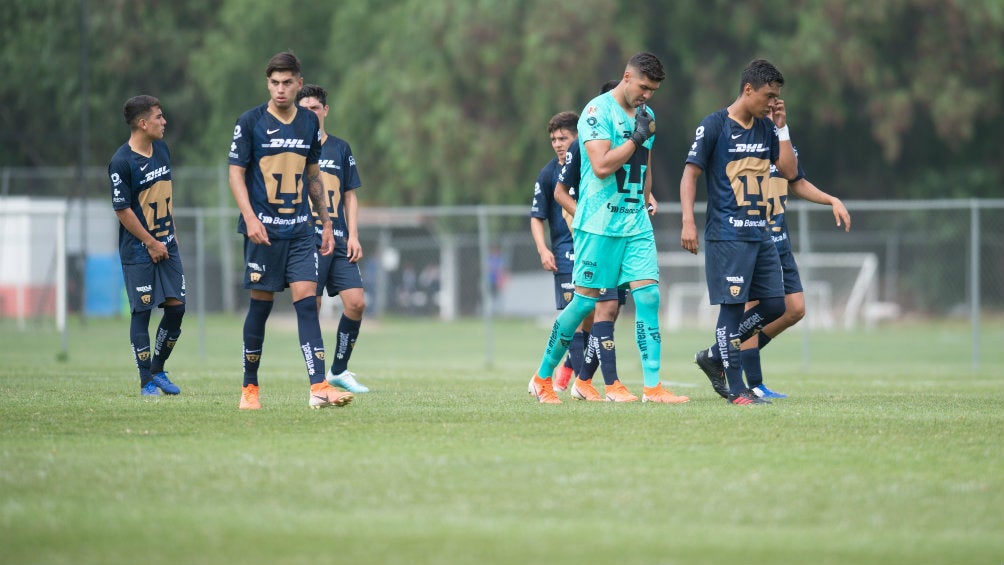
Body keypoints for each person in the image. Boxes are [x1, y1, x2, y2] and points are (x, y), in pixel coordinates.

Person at [528, 51, 688, 404]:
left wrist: (647, 197)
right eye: (644, 87)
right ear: (627, 77)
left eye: (654, 90)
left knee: (649, 296)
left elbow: (643, 162)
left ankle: (653, 387)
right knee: (584, 305)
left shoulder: (647, 116)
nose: (647, 95)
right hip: (599, 224)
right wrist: (634, 137)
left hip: (635, 222)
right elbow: (600, 166)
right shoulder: (596, 112)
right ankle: (542, 377)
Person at [228, 51, 352, 410]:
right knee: (261, 308)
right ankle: (249, 387)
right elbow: (236, 173)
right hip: (262, 233)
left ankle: (318, 386)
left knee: (307, 306)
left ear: (299, 83)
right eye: (274, 83)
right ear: (268, 83)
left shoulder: (308, 124)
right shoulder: (249, 122)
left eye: (287, 82)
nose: (280, 89)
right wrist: (250, 218)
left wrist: (327, 222)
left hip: (300, 231)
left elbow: (313, 176)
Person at [680, 59, 797, 405]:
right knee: (731, 311)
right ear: (748, 89)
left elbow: (788, 171)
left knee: (775, 304)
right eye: (768, 95)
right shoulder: (714, 125)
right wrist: (688, 221)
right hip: (727, 235)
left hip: (759, 234)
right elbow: (690, 174)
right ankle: (737, 389)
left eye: (777, 97)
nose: (772, 102)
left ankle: (715, 354)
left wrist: (782, 126)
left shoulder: (766, 127)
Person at [734, 143, 852, 399]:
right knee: (754, 306)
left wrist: (831, 199)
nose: (771, 104)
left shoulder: (784, 144)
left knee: (795, 309)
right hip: (754, 241)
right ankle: (754, 383)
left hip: (780, 244)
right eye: (768, 100)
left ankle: (728, 354)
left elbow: (796, 181)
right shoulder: (742, 140)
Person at [551, 82, 635, 402]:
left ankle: (582, 379)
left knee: (607, 312)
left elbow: (635, 183)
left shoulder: (629, 143)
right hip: (589, 241)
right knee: (593, 308)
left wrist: (644, 203)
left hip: (619, 238)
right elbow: (560, 193)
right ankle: (584, 379)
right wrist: (587, 222)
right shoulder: (583, 146)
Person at [108, 95, 185, 397]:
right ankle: (145, 381)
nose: (164, 122)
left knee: (177, 309)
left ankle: (158, 367)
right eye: (158, 117)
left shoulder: (162, 149)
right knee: (142, 313)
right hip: (139, 250)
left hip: (167, 245)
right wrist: (150, 242)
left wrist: (171, 234)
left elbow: (166, 194)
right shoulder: (121, 162)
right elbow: (122, 209)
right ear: (143, 123)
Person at [296, 84, 370, 394]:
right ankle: (318, 380)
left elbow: (350, 195)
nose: (310, 113)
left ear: (325, 111)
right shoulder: (293, 149)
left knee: (356, 303)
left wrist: (353, 235)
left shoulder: (340, 148)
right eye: (305, 108)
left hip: (339, 239)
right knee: (309, 307)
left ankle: (338, 370)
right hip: (308, 239)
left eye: (315, 107)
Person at [529, 111, 590, 395]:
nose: (557, 143)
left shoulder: (591, 166)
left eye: (563, 138)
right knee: (574, 319)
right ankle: (581, 382)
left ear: (577, 137)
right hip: (566, 255)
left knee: (600, 316)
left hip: (594, 250)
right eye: (553, 139)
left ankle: (569, 365)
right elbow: (536, 216)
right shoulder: (548, 174)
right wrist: (543, 249)